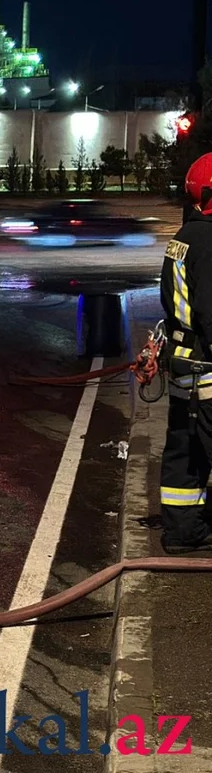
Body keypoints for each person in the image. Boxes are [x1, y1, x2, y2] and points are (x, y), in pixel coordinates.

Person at [158, 153, 212, 554]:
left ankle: (181, 530)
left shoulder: (183, 238)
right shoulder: (209, 241)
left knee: (184, 447)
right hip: (208, 366)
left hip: (182, 362)